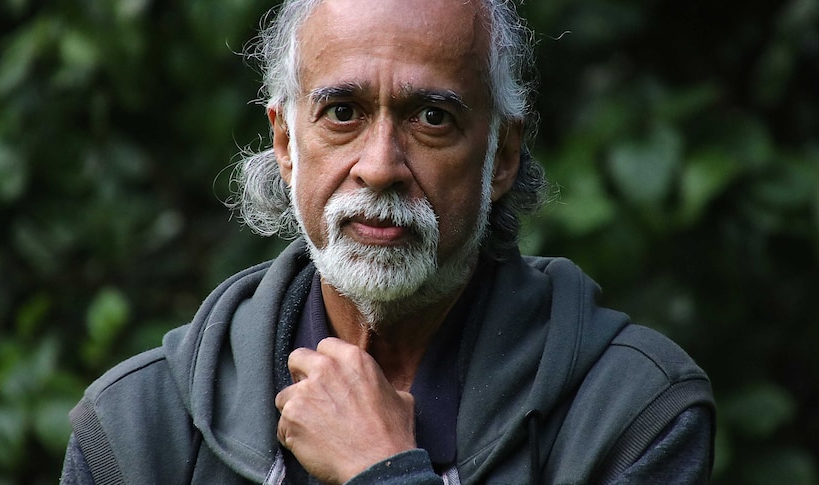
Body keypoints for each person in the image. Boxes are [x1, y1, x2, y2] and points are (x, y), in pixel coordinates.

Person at [60, 0, 715, 483]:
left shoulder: (632, 412)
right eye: (342, 113)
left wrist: (383, 470)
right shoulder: (138, 428)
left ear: (502, 154)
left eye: (432, 118)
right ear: (286, 143)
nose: (379, 165)